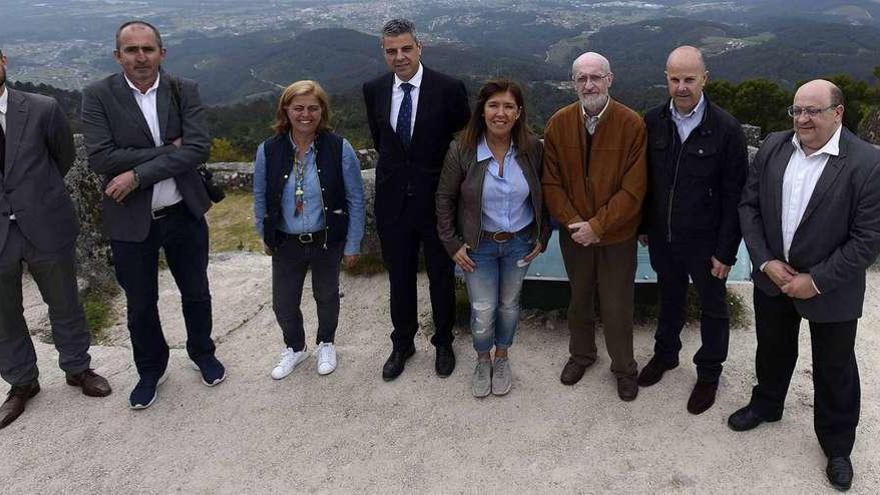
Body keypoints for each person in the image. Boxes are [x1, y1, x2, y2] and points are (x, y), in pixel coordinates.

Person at [731, 79, 880, 491]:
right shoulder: (776, 146)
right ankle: (767, 404)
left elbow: (867, 239)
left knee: (835, 367)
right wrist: (765, 262)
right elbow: (750, 206)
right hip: (774, 278)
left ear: (839, 113)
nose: (802, 119)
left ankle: (837, 445)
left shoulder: (867, 163)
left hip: (830, 289)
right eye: (797, 110)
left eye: (813, 110)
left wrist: (815, 282)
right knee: (773, 348)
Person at [81, 20, 225, 410]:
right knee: (140, 302)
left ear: (162, 52)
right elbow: (100, 158)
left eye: (147, 49)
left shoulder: (183, 90)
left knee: (196, 291)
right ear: (118, 56)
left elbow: (197, 149)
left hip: (184, 212)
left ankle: (202, 352)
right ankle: (150, 369)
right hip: (130, 219)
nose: (140, 57)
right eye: (131, 50)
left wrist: (137, 173)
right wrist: (166, 151)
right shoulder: (97, 96)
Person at [0, 49, 111, 429]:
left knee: (64, 300)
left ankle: (78, 369)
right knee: (4, 314)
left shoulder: (42, 108)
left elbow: (62, 158)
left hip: (44, 223)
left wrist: (34, 199)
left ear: (3, 61)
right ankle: (21, 382)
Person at [638, 46, 748, 414]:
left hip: (706, 241)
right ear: (666, 78)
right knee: (668, 298)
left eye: (689, 79)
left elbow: (736, 196)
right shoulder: (652, 121)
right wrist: (643, 227)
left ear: (705, 78)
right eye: (674, 79)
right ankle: (666, 355)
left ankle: (709, 372)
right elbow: (644, 182)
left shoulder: (727, 129)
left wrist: (726, 250)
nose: (681, 87)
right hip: (663, 236)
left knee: (713, 308)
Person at [362, 18, 470, 381]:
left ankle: (443, 342)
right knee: (400, 277)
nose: (399, 57)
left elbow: (462, 140)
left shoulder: (449, 89)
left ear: (419, 47)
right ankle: (402, 343)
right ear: (384, 53)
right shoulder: (373, 89)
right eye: (391, 51)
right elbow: (384, 142)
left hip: (438, 201)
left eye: (406, 48)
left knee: (440, 275)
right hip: (393, 202)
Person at [541, 52, 647, 401]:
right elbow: (551, 183)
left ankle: (624, 368)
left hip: (616, 236)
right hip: (575, 236)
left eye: (596, 77)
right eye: (581, 78)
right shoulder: (558, 123)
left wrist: (598, 225)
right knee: (579, 298)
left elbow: (634, 188)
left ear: (610, 79)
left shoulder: (631, 124)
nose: (589, 84)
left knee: (617, 304)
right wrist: (576, 224)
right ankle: (581, 355)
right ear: (573, 83)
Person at [436, 79, 550, 398]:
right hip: (479, 245)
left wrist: (543, 234)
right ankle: (482, 358)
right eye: (493, 105)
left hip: (519, 241)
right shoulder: (462, 150)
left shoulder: (532, 149)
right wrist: (452, 243)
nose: (500, 113)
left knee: (510, 304)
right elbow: (444, 198)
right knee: (483, 308)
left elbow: (545, 195)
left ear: (519, 113)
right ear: (482, 111)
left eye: (508, 106)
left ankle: (502, 357)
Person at [253, 80, 365, 379]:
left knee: (326, 295)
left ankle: (326, 342)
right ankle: (295, 347)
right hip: (286, 240)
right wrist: (264, 234)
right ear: (285, 111)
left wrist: (353, 244)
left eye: (313, 108)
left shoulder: (340, 148)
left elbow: (355, 197)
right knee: (283, 302)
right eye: (298, 108)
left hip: (326, 239)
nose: (306, 114)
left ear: (322, 111)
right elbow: (260, 196)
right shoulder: (268, 150)